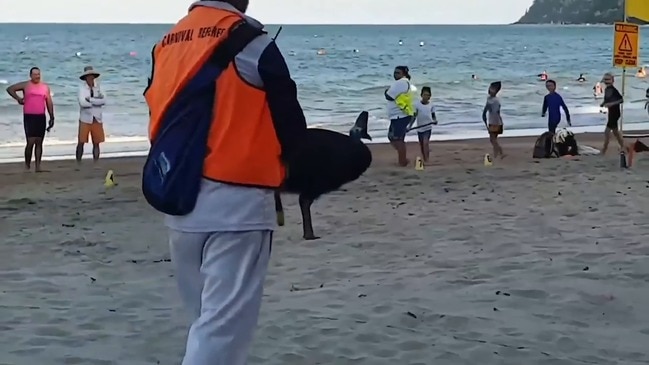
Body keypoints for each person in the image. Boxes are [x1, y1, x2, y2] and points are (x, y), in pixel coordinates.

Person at [143, 1, 307, 364]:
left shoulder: (167, 42)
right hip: (239, 200)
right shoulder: (252, 41)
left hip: (178, 193)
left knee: (205, 322)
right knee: (220, 330)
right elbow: (291, 124)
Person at [5, 67, 54, 172]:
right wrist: (19, 99)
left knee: (39, 142)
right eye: (35, 74)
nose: (37, 76)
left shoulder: (45, 87)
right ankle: (27, 165)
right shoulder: (26, 85)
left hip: (41, 116)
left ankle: (38, 166)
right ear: (30, 75)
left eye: (38, 74)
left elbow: (49, 102)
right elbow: (10, 89)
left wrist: (52, 116)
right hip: (29, 116)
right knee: (30, 141)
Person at [384, 65, 415, 166]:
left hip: (400, 115)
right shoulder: (404, 83)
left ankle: (402, 161)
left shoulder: (400, 83)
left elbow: (389, 96)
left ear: (403, 74)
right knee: (394, 138)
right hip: (399, 115)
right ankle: (403, 158)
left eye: (398, 73)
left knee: (396, 138)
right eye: (395, 72)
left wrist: (385, 91)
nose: (395, 74)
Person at [77, 66, 106, 163]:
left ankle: (96, 162)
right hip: (85, 118)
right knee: (81, 142)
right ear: (85, 78)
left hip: (97, 118)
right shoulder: (82, 89)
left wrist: (90, 100)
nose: (90, 78)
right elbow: (82, 103)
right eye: (88, 77)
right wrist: (96, 101)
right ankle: (78, 162)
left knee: (96, 142)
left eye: (91, 76)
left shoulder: (99, 87)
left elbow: (104, 101)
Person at [408, 86, 437, 163]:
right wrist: (409, 126)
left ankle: (427, 159)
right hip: (419, 128)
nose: (426, 97)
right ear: (421, 95)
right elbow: (414, 117)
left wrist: (434, 121)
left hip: (428, 127)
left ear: (430, 96)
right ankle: (424, 157)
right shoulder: (417, 105)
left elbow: (433, 115)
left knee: (425, 143)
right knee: (421, 145)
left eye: (428, 95)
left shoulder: (431, 105)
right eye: (425, 95)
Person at [600, 72, 625, 155]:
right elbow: (607, 99)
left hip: (615, 113)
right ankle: (623, 147)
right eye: (605, 80)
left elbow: (621, 100)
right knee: (615, 132)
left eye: (608, 80)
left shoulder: (614, 90)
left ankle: (604, 150)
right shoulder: (607, 90)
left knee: (607, 132)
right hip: (611, 113)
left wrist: (611, 104)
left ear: (612, 81)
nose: (606, 82)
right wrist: (603, 103)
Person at [482, 81, 505, 159]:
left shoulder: (495, 101)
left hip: (495, 122)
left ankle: (500, 152)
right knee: (493, 139)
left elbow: (495, 112)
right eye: (490, 88)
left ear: (496, 91)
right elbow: (486, 110)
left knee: (492, 139)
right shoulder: (490, 99)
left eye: (493, 89)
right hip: (493, 121)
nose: (491, 90)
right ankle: (496, 154)